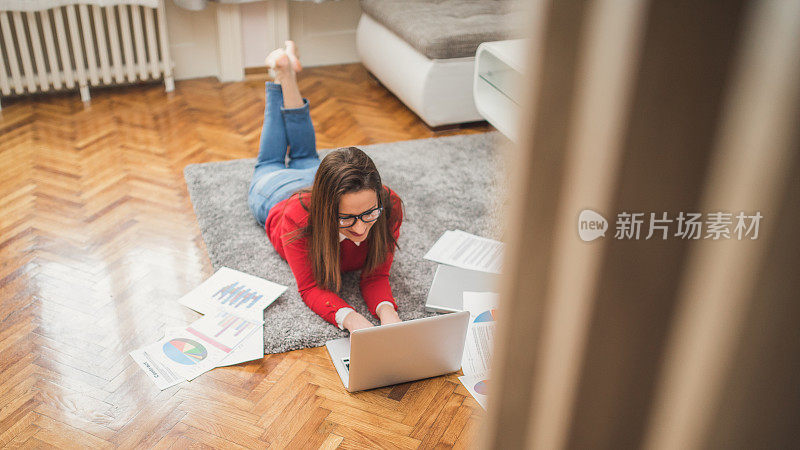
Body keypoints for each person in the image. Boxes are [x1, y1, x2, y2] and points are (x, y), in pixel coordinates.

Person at [247, 41, 403, 333]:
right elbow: (309, 288)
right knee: (269, 159)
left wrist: (389, 317)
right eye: (345, 219)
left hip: (314, 177)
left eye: (369, 214)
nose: (360, 230)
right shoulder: (299, 216)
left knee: (306, 156)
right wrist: (356, 324)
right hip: (276, 192)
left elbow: (376, 275)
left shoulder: (389, 206)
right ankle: (279, 75)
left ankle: (285, 69)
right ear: (323, 211)